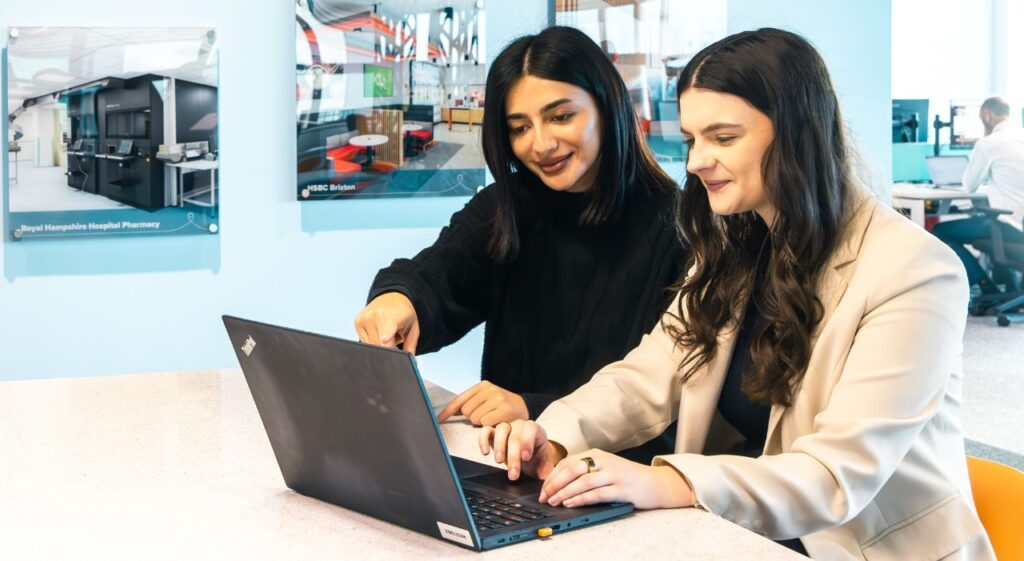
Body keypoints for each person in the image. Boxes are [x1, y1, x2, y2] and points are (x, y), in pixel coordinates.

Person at [478, 28, 995, 560]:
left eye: (723, 138)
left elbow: (835, 476)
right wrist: (555, 434)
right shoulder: (736, 246)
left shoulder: (914, 270)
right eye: (692, 140)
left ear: (798, 135)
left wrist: (668, 482)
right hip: (744, 536)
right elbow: (649, 375)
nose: (697, 161)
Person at [354, 26, 686, 460]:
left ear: (607, 107)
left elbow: (659, 400)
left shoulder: (677, 227)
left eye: (561, 117)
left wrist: (533, 408)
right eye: (519, 127)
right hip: (511, 466)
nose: (541, 144)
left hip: (609, 478)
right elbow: (439, 273)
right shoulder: (510, 205)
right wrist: (399, 299)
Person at [931, 96, 1024, 294]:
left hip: (1011, 225)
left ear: (987, 115)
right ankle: (1011, 287)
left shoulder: (989, 143)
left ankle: (985, 286)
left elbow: (969, 185)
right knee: (989, 222)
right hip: (1019, 225)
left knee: (940, 231)